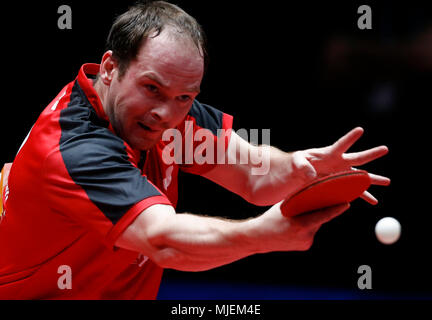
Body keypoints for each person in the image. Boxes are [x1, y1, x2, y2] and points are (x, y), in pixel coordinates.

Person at [0, 1, 390, 299]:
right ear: (108, 68)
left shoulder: (168, 114)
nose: (165, 114)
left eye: (184, 97)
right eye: (152, 89)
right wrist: (262, 235)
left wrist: (299, 167)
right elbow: (164, 241)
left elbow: (254, 173)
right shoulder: (74, 149)